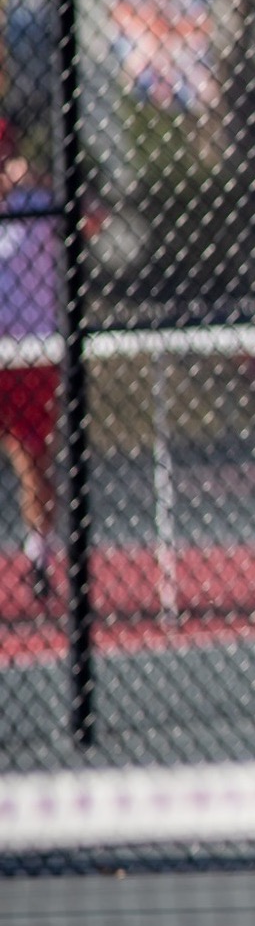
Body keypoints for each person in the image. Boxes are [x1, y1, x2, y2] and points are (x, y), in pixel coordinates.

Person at [0, 121, 63, 602]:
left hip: (29, 354)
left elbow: (93, 218)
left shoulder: (34, 206)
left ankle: (38, 555)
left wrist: (37, 179)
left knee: (32, 462)